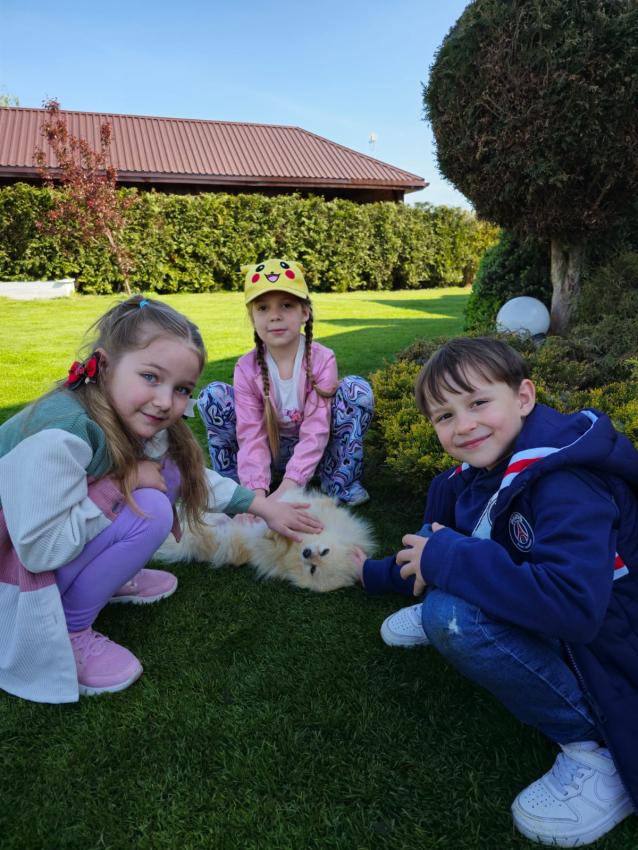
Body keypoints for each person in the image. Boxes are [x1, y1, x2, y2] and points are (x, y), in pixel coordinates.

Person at [357, 337, 638, 847]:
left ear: (524, 397)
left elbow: (575, 607)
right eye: (444, 416)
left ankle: (594, 744)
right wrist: (368, 574)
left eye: (478, 402)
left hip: (616, 629)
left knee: (453, 617)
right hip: (563, 604)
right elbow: (430, 542)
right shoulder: (473, 473)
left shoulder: (566, 482)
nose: (463, 425)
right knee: (447, 576)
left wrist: (448, 562)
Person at [0, 295, 322, 704]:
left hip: (31, 541)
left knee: (166, 472)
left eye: (181, 389)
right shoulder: (61, 434)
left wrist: (263, 507)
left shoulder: (118, 411)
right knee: (149, 509)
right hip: (13, 561)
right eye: (150, 376)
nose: (166, 401)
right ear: (105, 365)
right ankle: (68, 629)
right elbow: (39, 550)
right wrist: (124, 482)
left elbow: (188, 476)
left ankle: (105, 579)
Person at [197, 258, 374, 507]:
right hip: (271, 452)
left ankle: (339, 483)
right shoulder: (246, 368)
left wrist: (289, 487)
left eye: (286, 305)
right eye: (263, 308)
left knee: (356, 390)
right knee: (212, 396)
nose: (275, 316)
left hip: (319, 453)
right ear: (252, 317)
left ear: (305, 312)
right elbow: (251, 434)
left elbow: (316, 428)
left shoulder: (322, 359)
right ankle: (236, 489)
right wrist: (257, 497)